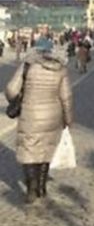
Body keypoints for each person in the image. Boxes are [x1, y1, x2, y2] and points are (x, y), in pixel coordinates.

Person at [4, 37, 73, 203]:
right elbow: (66, 97)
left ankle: (31, 188)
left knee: (29, 150)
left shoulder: (27, 66)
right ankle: (42, 188)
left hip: (30, 115)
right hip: (53, 116)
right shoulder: (60, 68)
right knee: (46, 150)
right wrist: (68, 119)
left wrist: (17, 98)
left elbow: (11, 89)